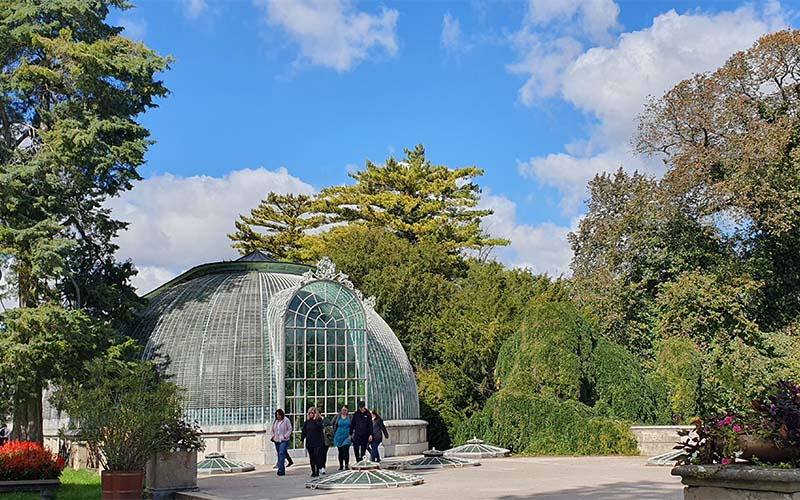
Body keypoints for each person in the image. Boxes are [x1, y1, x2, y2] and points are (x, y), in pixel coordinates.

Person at [300, 407, 325, 477]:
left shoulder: (319, 421)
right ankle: (313, 471)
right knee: (312, 457)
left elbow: (320, 428)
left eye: (313, 413)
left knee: (317, 456)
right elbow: (304, 431)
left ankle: (317, 471)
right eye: (310, 413)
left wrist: (315, 420)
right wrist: (302, 439)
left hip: (317, 442)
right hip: (309, 442)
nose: (311, 414)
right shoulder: (307, 422)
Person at [270, 409, 293, 476]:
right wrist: (273, 436)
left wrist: (285, 436)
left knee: (281, 453)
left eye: (279, 415)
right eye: (277, 415)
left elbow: (290, 429)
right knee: (279, 455)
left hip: (284, 440)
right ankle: (281, 467)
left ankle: (281, 470)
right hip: (276, 440)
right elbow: (272, 430)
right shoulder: (275, 421)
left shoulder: (286, 420)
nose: (278, 416)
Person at [332, 406, 353, 470]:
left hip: (347, 435)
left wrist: (351, 434)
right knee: (340, 451)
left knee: (345, 449)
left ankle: (346, 465)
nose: (344, 411)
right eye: (343, 410)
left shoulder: (350, 417)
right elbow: (332, 423)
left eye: (345, 410)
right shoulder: (337, 416)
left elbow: (353, 425)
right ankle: (341, 465)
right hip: (338, 436)